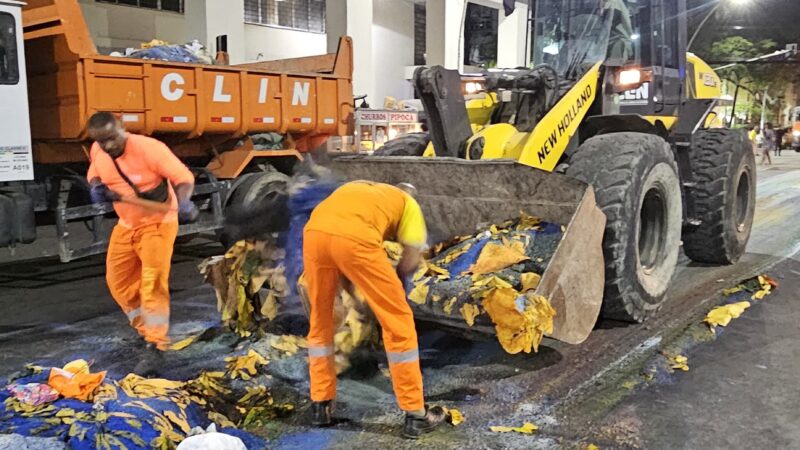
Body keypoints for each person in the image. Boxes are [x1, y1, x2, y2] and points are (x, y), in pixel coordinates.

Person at [302, 181, 447, 439]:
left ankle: (320, 405)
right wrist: (397, 283)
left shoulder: (360, 190)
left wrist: (357, 291)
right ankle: (416, 414)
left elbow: (338, 246)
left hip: (314, 234)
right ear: (408, 194)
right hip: (355, 239)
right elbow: (410, 260)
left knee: (321, 320)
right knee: (398, 322)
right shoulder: (408, 204)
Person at [86, 112, 198, 376]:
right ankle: (144, 330)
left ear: (123, 129)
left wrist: (184, 202)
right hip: (127, 225)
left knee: (152, 284)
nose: (109, 146)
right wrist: (95, 187)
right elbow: (94, 173)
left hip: (158, 224)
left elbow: (183, 178)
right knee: (119, 284)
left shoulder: (150, 149)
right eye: (103, 142)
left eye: (112, 139)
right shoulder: (99, 151)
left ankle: (156, 345)